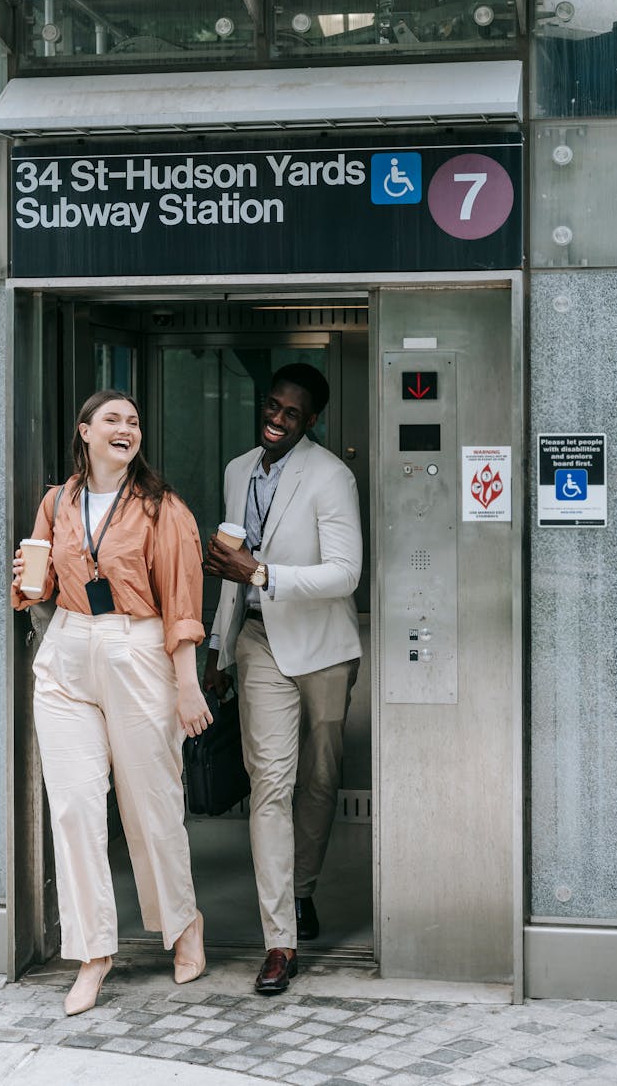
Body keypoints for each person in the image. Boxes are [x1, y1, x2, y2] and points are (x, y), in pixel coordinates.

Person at [11, 389, 212, 1016]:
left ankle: (183, 923)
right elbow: (39, 586)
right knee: (73, 807)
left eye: (133, 422)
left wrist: (188, 684)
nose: (126, 429)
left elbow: (181, 599)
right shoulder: (57, 501)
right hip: (69, 647)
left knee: (151, 804)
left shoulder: (162, 507)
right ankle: (92, 953)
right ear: (85, 432)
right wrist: (27, 578)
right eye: (113, 420)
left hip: (138, 648)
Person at [204, 363, 362, 994]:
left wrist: (262, 573)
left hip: (323, 647)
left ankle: (302, 888)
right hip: (258, 642)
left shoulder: (331, 476)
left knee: (318, 782)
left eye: (291, 413)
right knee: (270, 785)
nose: (276, 419)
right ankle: (280, 941)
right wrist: (217, 647)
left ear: (310, 420)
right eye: (272, 406)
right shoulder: (236, 470)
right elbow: (230, 567)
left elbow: (345, 573)